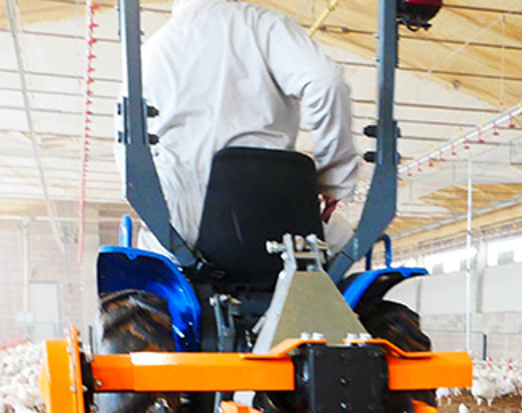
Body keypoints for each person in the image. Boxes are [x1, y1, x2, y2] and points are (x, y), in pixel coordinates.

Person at [124, 0, 360, 253]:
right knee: (343, 239)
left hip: (180, 225)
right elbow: (326, 81)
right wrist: (335, 181)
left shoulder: (149, 53)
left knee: (152, 251)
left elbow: (127, 151)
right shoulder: (264, 26)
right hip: (268, 214)